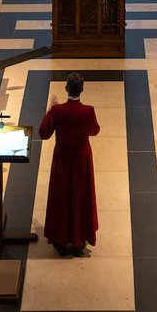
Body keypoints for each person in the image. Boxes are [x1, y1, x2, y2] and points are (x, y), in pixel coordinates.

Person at [39, 73, 100, 256]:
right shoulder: (88, 110)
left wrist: (50, 109)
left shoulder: (58, 111)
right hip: (82, 158)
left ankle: (61, 238)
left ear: (66, 89)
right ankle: (79, 237)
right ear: (81, 89)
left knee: (61, 195)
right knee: (81, 196)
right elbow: (94, 131)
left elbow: (44, 133)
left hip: (62, 158)